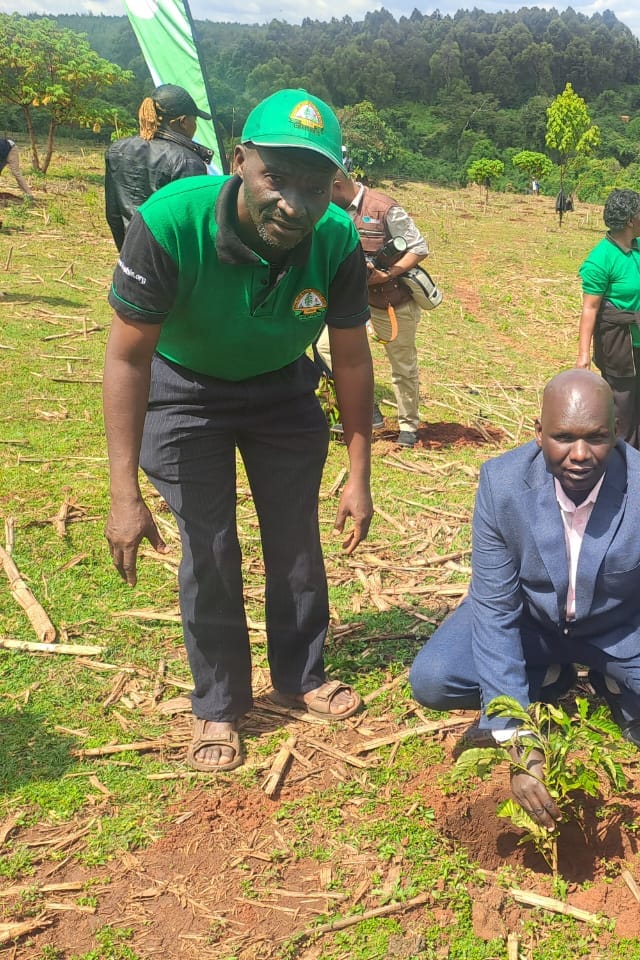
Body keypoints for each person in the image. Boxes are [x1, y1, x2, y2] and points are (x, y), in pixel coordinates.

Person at [103, 89, 374, 773]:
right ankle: (219, 702)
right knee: (211, 544)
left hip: (283, 388)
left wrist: (361, 472)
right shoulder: (171, 224)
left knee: (293, 537)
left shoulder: (338, 240)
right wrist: (122, 492)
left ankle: (301, 676)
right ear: (239, 161)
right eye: (275, 178)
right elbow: (127, 356)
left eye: (315, 186)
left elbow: (351, 355)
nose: (294, 202)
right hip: (187, 391)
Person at [409, 369, 640, 846]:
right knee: (435, 677)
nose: (580, 455)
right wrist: (521, 748)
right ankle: (548, 679)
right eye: (563, 438)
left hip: (621, 629)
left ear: (618, 432)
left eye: (596, 438)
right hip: (534, 625)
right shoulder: (502, 485)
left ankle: (615, 682)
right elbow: (496, 613)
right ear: (539, 433)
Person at [317, 169, 430, 448]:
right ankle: (369, 410)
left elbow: (418, 247)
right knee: (326, 348)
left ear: (338, 184)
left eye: (323, 190)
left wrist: (388, 273)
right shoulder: (332, 211)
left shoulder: (383, 208)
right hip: (352, 301)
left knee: (402, 366)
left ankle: (408, 426)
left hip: (390, 301)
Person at [576, 188, 640, 456]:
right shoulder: (600, 259)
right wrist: (583, 355)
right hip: (619, 344)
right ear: (630, 221)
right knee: (623, 404)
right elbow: (590, 309)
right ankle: (621, 458)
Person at [105, 84, 214, 251]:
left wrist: (126, 254)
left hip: (131, 256)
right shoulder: (187, 162)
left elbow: (113, 214)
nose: (195, 126)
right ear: (183, 122)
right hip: (168, 262)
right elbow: (190, 227)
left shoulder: (117, 150)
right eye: (195, 120)